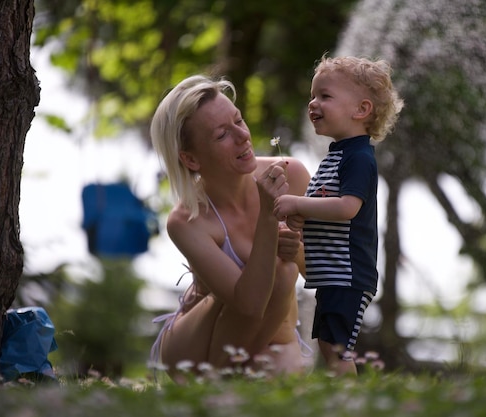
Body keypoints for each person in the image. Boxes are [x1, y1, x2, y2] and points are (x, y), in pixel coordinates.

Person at [148, 74, 312, 381]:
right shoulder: (187, 220)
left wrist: (299, 252)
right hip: (199, 347)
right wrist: (267, 215)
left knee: (287, 270)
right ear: (191, 159)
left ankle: (239, 379)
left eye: (238, 120)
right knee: (278, 273)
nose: (242, 137)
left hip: (275, 337)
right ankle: (218, 385)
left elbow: (322, 274)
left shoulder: (292, 175)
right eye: (222, 134)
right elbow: (248, 305)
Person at [273, 55, 404, 375]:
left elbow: (348, 208)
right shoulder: (336, 156)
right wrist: (302, 218)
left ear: (361, 110)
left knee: (337, 348)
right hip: (333, 275)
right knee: (329, 345)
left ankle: (347, 403)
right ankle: (340, 399)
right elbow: (326, 206)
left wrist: (298, 204)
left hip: (348, 274)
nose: (313, 103)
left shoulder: (358, 158)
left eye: (325, 96)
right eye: (312, 95)